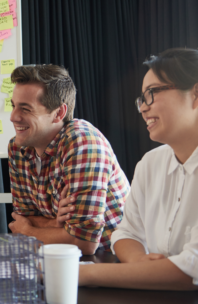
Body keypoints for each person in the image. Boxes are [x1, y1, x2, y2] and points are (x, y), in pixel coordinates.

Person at [79, 48, 198, 290]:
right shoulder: (150, 163)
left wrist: (80, 274)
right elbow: (125, 233)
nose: (143, 108)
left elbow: (190, 270)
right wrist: (140, 262)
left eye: (152, 93)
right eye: (142, 98)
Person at [7, 64, 130, 255]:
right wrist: (56, 223)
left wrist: (29, 231)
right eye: (13, 106)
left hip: (112, 259)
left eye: (25, 109)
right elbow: (20, 219)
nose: (13, 116)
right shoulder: (17, 147)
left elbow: (85, 243)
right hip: (56, 256)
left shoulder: (83, 142)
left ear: (59, 113)